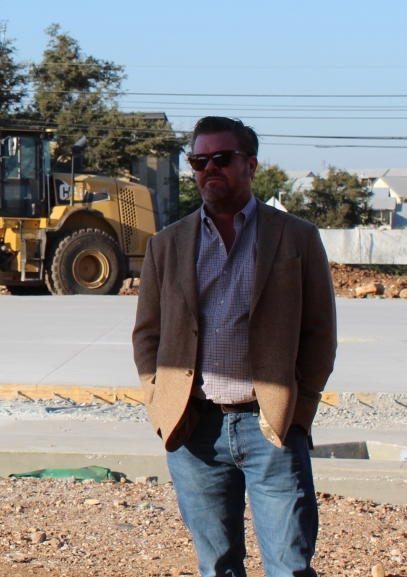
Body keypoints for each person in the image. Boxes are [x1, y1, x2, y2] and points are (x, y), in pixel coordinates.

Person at [132, 116, 336, 577]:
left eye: (221, 159)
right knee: (218, 567)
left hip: (271, 429)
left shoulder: (297, 238)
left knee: (290, 566)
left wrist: (299, 411)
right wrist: (159, 401)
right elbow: (148, 335)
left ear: (250, 164)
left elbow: (320, 335)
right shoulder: (167, 245)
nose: (209, 169)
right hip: (194, 431)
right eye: (199, 161)